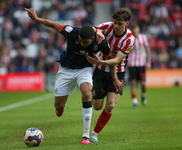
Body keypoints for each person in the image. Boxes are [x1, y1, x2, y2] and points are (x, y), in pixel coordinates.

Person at [25, 8, 123, 144]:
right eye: (80, 41)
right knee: (59, 107)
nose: (82, 44)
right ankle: (60, 107)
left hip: (84, 69)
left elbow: (111, 59)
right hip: (66, 69)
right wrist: (36, 19)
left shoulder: (101, 43)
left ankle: (85, 135)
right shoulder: (73, 32)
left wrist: (114, 78)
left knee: (87, 94)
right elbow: (54, 25)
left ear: (92, 39)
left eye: (85, 42)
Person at [85, 7, 135, 142]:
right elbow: (91, 29)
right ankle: (90, 92)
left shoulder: (129, 40)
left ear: (126, 23)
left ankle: (94, 134)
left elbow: (117, 60)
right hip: (100, 72)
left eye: (120, 23)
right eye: (115, 22)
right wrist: (97, 32)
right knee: (97, 107)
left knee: (111, 105)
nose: (116, 26)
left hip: (119, 72)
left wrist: (99, 61)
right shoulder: (107, 26)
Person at [127, 22, 151, 108]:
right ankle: (134, 101)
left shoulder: (143, 38)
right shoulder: (129, 39)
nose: (134, 30)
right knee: (133, 83)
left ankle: (143, 95)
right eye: (132, 28)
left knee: (143, 84)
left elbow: (148, 50)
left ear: (138, 29)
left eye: (135, 28)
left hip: (141, 64)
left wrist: (148, 62)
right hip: (132, 64)